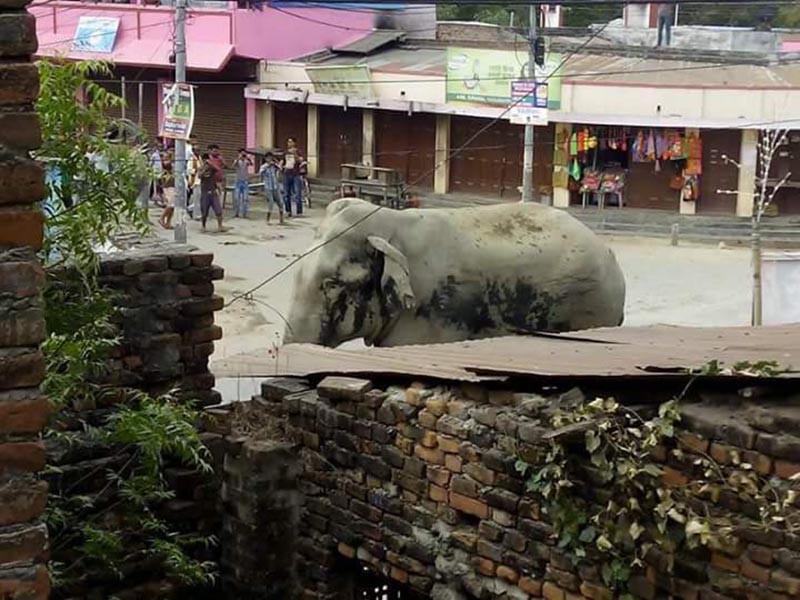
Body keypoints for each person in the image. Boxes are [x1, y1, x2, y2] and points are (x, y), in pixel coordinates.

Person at [199, 153, 226, 233]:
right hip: (205, 192)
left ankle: (220, 226)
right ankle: (203, 226)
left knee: (218, 210)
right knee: (204, 211)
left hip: (213, 191)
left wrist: (210, 164)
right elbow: (199, 176)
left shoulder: (212, 168)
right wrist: (204, 168)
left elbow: (218, 169)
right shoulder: (201, 168)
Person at [259, 152, 283, 224]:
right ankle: (268, 219)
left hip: (275, 186)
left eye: (271, 157)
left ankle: (281, 219)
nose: (270, 159)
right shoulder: (263, 166)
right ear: (266, 159)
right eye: (268, 158)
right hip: (268, 187)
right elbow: (260, 173)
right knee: (271, 203)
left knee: (280, 202)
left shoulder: (274, 166)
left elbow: (280, 169)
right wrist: (268, 165)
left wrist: (276, 163)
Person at [282, 137, 304, 217]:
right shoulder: (285, 152)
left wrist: (295, 154)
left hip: (296, 175)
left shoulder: (298, 152)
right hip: (287, 174)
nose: (289, 143)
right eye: (288, 142)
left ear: (294, 143)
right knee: (286, 194)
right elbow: (282, 161)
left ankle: (299, 212)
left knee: (297, 194)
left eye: (291, 142)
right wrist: (281, 166)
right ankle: (288, 211)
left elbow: (300, 161)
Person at [232, 148, 253, 218]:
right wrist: (238, 158)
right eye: (242, 153)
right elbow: (233, 166)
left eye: (244, 154)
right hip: (238, 181)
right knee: (236, 198)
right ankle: (236, 213)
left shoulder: (246, 161)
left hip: (245, 182)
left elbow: (251, 164)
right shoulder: (237, 161)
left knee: (245, 198)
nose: (243, 155)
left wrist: (247, 158)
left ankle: (244, 213)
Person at [158, 146, 176, 229]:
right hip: (168, 184)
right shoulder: (166, 162)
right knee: (171, 204)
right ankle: (162, 218)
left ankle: (168, 222)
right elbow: (167, 165)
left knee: (173, 206)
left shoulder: (174, 162)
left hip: (174, 184)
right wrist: (170, 157)